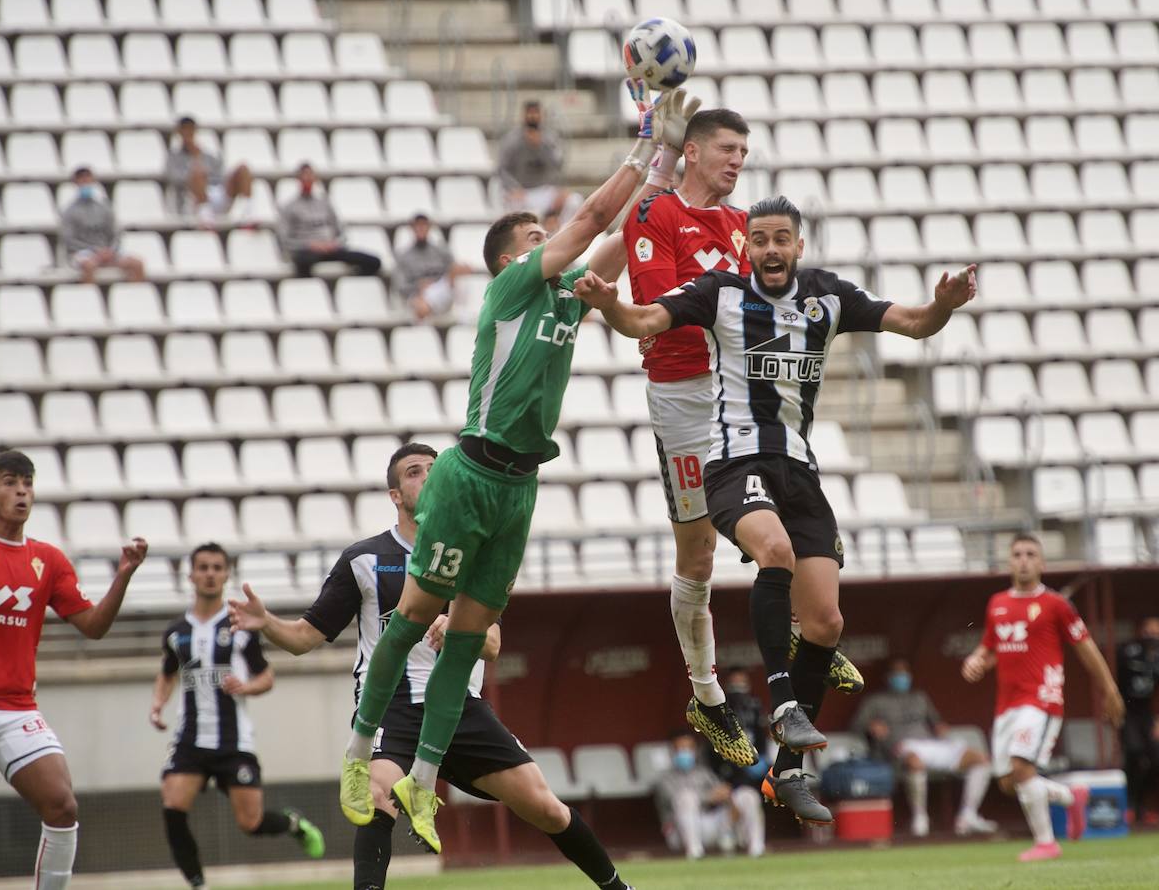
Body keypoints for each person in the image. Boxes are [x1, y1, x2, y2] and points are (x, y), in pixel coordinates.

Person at [334, 82, 699, 855]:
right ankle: (359, 751)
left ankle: (422, 784)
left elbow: (619, 232)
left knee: (464, 641)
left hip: (521, 482)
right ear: (512, 256)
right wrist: (642, 139)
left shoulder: (569, 296)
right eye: (538, 233)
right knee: (409, 622)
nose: (552, 238)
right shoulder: (511, 287)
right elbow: (597, 217)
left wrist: (665, 165)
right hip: (470, 471)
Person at [575, 194, 976, 825]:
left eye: (780, 239)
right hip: (735, 462)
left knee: (825, 625)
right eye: (758, 239)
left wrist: (945, 305)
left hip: (799, 470)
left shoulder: (827, 296)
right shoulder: (721, 293)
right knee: (775, 553)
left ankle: (788, 771)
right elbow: (645, 321)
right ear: (747, 246)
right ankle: (782, 699)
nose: (768, 249)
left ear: (798, 245)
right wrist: (608, 304)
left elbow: (914, 322)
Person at [228, 444, 634, 890]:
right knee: (378, 794)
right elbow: (304, 639)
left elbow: (493, 645)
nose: (427, 477)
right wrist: (266, 622)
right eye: (414, 472)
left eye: (434, 470)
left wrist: (459, 626)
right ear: (395, 495)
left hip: (459, 706)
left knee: (546, 807)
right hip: (392, 706)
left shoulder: (469, 555)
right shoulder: (364, 559)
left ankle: (618, 888)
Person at [621, 110, 865, 770]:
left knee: (795, 510)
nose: (738, 161)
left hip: (742, 392)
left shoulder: (741, 229)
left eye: (745, 151)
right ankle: (705, 694)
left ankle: (804, 624)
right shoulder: (655, 217)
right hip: (684, 399)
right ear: (693, 153)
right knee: (697, 555)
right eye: (728, 150)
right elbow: (662, 311)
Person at [0, 449, 148, 889]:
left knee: (62, 806)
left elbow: (93, 627)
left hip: (16, 708)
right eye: (8, 481)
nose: (21, 491)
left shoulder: (49, 561)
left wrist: (124, 575)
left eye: (27, 482)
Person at [150, 543, 324, 889]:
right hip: (190, 739)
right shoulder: (175, 631)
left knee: (251, 822)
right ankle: (198, 883)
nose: (210, 574)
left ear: (227, 574)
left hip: (234, 740)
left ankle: (293, 824)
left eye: (217, 567)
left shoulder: (241, 627)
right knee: (172, 804)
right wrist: (158, 704)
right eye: (204, 567)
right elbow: (168, 673)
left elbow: (267, 677)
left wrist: (245, 687)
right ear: (192, 575)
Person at [960, 534, 1125, 862]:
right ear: (1009, 561)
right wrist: (976, 659)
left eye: (1030, 554)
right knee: (1009, 782)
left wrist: (1109, 689)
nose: (1023, 559)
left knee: (1022, 769)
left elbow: (1086, 648)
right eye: (1017, 554)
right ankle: (1069, 796)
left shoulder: (1056, 605)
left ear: (1042, 563)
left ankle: (1047, 842)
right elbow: (991, 647)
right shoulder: (997, 603)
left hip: (1041, 699)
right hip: (1006, 704)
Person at [851, 659, 996, 837]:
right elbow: (856, 726)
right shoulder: (875, 701)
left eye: (904, 673)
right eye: (897, 673)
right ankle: (920, 817)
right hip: (900, 747)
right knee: (915, 762)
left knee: (980, 759)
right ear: (888, 677)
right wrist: (871, 726)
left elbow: (936, 722)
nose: (901, 678)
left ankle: (968, 815)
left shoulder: (920, 697)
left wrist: (941, 728)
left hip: (929, 744)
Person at [654, 731, 765, 860]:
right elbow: (674, 800)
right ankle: (694, 852)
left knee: (747, 795)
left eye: (689, 748)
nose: (685, 752)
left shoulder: (704, 772)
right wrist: (709, 797)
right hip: (680, 831)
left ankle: (756, 848)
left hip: (712, 824)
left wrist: (729, 800)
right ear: (672, 752)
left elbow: (722, 792)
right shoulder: (665, 778)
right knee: (686, 797)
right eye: (680, 748)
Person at [1116, 616, 1159, 825]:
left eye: (1157, 631)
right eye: (1149, 631)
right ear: (1141, 631)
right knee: (1133, 753)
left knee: (1158, 761)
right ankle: (1129, 806)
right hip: (1127, 711)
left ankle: (1141, 804)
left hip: (1147, 714)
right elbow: (1114, 683)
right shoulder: (1128, 652)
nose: (1153, 635)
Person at [277, 163, 383, 278]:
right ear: (298, 179)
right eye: (304, 176)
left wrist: (334, 243)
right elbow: (285, 240)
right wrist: (309, 245)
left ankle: (350, 283)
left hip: (331, 249)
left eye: (310, 175)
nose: (308, 179)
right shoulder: (289, 207)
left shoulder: (325, 203)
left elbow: (342, 233)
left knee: (373, 262)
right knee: (302, 262)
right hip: (308, 251)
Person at [497, 100, 581, 232]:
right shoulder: (512, 139)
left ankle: (563, 234)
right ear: (523, 115)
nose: (532, 117)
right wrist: (513, 188)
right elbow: (502, 169)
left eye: (536, 113)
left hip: (545, 191)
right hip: (522, 192)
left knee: (574, 200)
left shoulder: (550, 138)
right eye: (529, 113)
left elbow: (557, 165)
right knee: (512, 206)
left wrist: (541, 145)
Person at [60, 166, 145, 284]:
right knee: (88, 266)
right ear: (76, 183)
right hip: (84, 252)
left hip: (108, 251)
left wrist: (110, 251)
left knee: (136, 264)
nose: (86, 183)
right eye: (82, 180)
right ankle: (90, 298)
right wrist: (95, 251)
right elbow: (69, 240)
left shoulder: (104, 207)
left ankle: (136, 298)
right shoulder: (69, 211)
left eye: (88, 180)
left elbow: (116, 234)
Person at [164, 116, 254, 226]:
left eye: (190, 129)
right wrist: (196, 172)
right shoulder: (173, 157)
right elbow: (174, 178)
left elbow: (221, 174)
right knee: (197, 172)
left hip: (218, 192)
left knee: (243, 168)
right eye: (185, 130)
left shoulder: (208, 156)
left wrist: (198, 157)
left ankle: (247, 213)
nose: (188, 133)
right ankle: (205, 217)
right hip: (192, 199)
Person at [394, 213, 472, 320]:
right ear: (412, 229)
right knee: (420, 305)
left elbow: (453, 270)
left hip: (441, 288)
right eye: (417, 226)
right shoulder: (404, 256)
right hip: (417, 294)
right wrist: (418, 286)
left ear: (429, 227)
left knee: (461, 271)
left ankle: (464, 311)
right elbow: (400, 285)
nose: (421, 229)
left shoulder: (441, 251)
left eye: (424, 225)